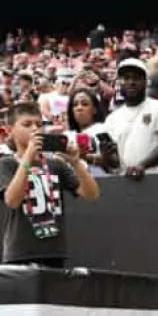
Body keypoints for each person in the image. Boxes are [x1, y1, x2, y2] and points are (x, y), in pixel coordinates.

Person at [0, 101, 99, 267]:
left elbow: (92, 194)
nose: (34, 129)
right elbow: (12, 200)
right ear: (10, 130)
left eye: (39, 124)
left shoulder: (55, 164)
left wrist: (76, 163)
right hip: (20, 252)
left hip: (54, 251)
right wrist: (27, 159)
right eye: (27, 124)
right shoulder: (6, 163)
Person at [103, 59, 158, 179]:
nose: (131, 82)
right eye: (126, 78)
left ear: (146, 82)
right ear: (119, 83)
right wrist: (107, 157)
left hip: (156, 179)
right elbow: (115, 162)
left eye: (136, 78)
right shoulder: (111, 119)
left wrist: (141, 166)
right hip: (125, 182)